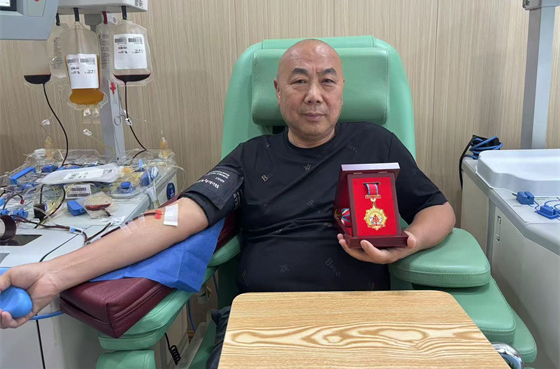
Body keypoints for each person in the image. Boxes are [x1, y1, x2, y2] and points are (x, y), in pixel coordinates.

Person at [0, 40, 455, 336]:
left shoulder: (375, 143)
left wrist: (408, 243)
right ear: (278, 91)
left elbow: (438, 209)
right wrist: (53, 274)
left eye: (327, 81)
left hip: (361, 317)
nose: (314, 94)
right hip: (262, 321)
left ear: (341, 90)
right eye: (299, 81)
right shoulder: (250, 157)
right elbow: (170, 221)